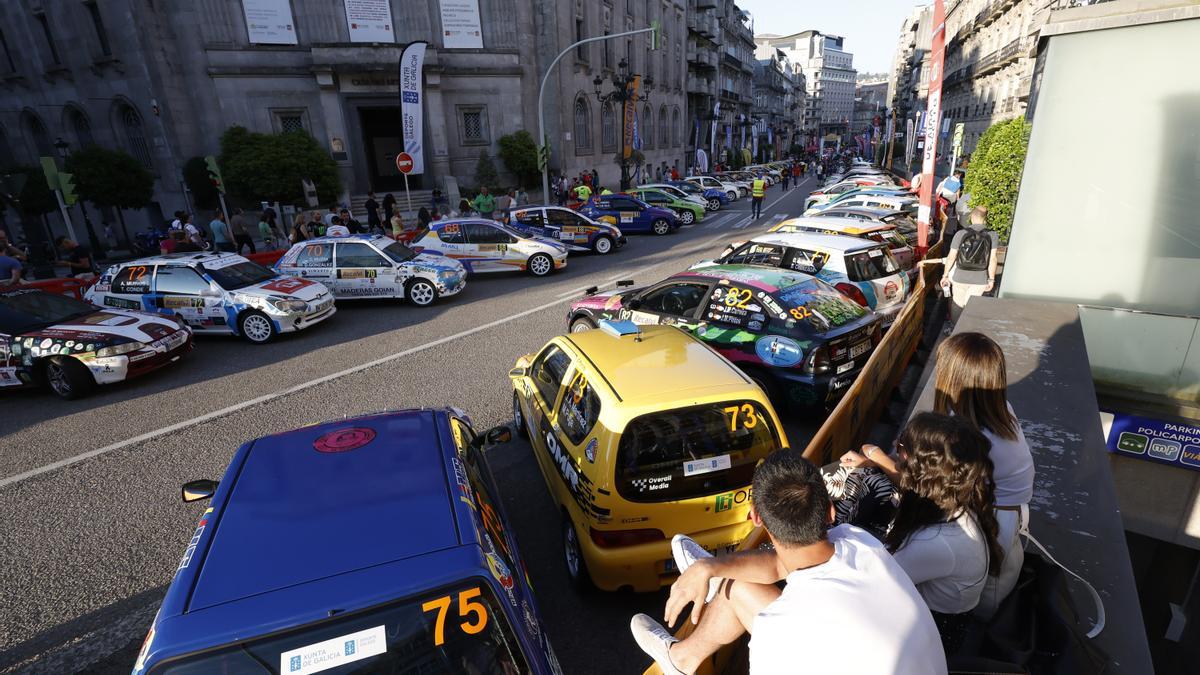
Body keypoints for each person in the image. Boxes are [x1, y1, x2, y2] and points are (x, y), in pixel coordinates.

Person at [630, 449, 946, 675]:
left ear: (755, 517)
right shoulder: (859, 542)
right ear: (831, 513)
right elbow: (780, 565)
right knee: (739, 589)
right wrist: (711, 567)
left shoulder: (780, 635)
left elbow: (782, 567)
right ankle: (681, 660)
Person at [842, 413, 1003, 653]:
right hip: (939, 617)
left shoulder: (935, 541)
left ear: (924, 470)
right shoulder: (956, 497)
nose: (897, 446)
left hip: (930, 639)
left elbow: (869, 584)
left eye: (903, 445)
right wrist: (871, 463)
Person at [932, 332, 1034, 618]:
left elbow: (932, 484)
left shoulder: (970, 437)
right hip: (1007, 518)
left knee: (978, 609)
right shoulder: (1000, 413)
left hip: (991, 530)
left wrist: (875, 459)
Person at [934, 207, 999, 323]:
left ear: (971, 217)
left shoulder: (961, 234)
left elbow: (951, 257)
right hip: (980, 278)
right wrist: (991, 279)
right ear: (985, 219)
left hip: (960, 276)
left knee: (957, 305)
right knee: (972, 308)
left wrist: (945, 275)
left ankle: (955, 329)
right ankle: (968, 329)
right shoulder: (992, 235)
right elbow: (993, 259)